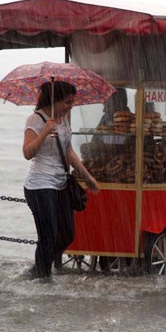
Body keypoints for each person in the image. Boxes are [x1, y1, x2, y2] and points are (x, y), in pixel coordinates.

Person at [23, 81, 100, 282]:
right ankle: (43, 278)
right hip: (39, 185)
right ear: (54, 100)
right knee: (48, 234)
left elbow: (68, 151)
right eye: (67, 102)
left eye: (72, 102)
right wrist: (44, 132)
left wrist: (87, 176)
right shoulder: (36, 119)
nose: (70, 106)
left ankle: (39, 267)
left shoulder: (64, 120)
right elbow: (27, 153)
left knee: (67, 234)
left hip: (60, 184)